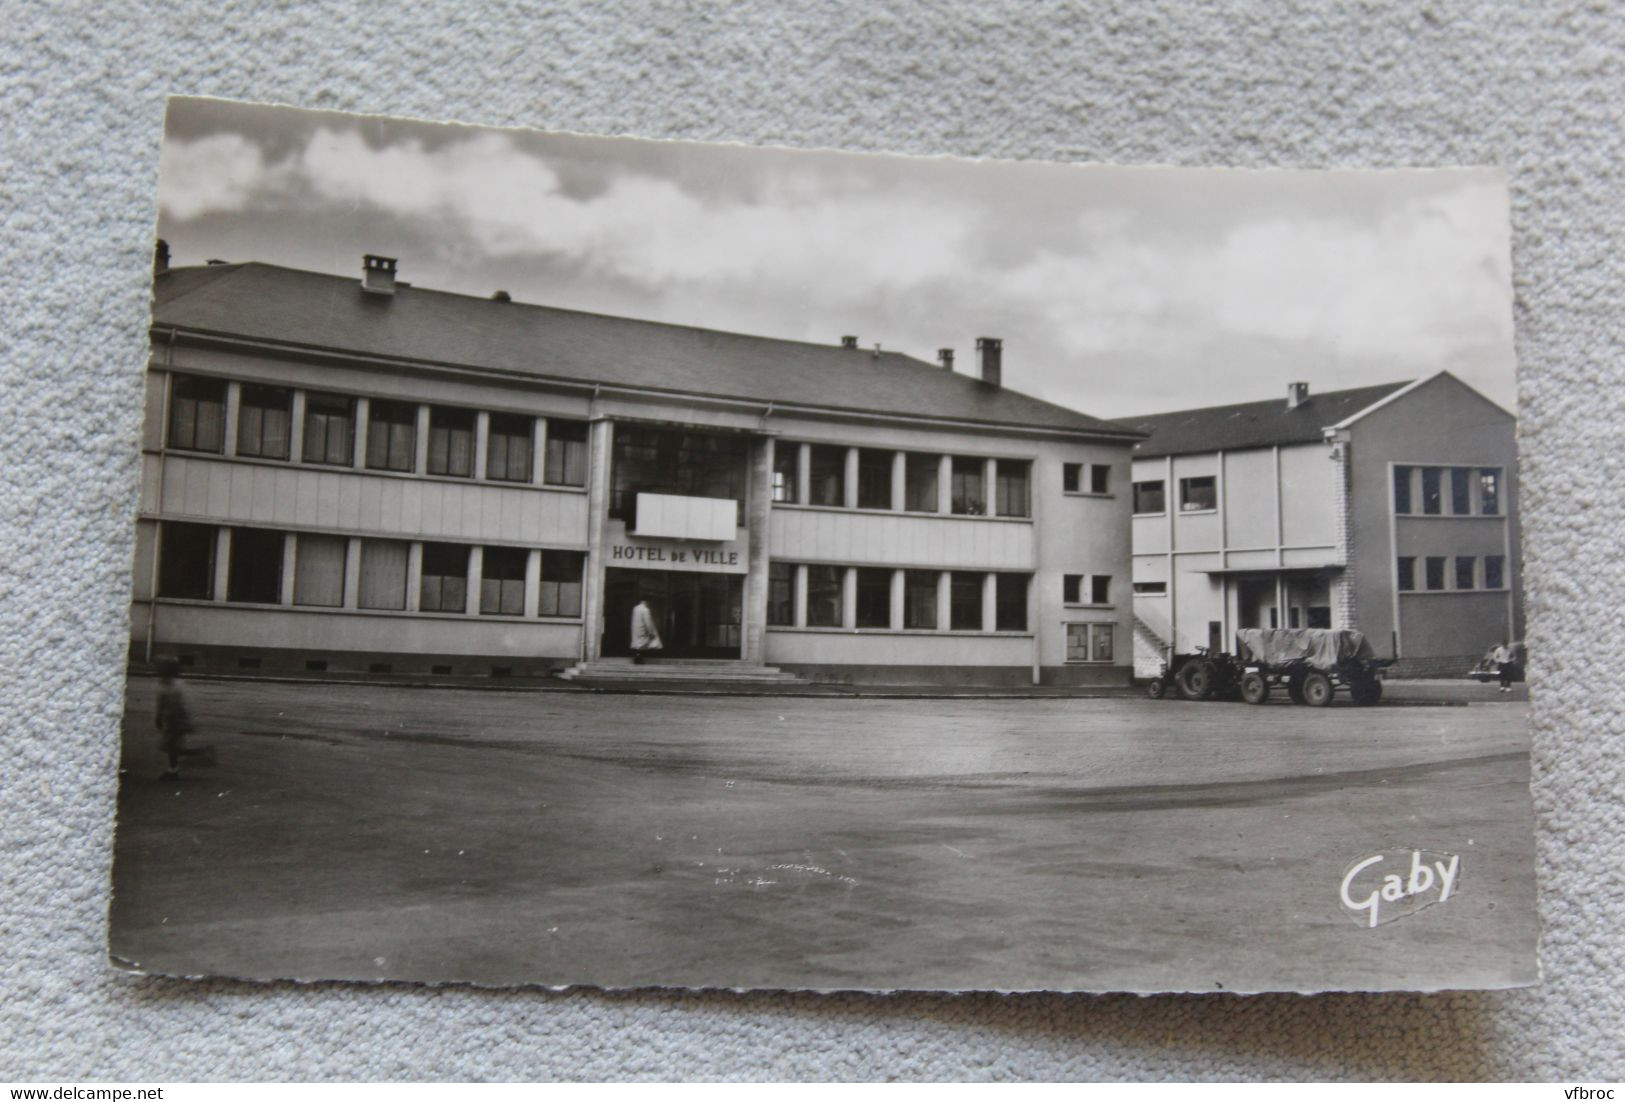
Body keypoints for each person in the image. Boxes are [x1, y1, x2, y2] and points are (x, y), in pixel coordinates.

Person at [154, 656, 214, 779]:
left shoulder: (171, 685)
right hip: (176, 720)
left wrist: (160, 717)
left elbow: (171, 703)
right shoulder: (173, 683)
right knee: (172, 747)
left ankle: (199, 756)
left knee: (168, 746)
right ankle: (174, 769)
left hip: (176, 720)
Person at [630, 599, 662, 664]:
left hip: (636, 630)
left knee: (638, 645)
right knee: (644, 644)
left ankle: (637, 657)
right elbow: (648, 622)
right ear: (646, 602)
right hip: (643, 630)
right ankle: (638, 658)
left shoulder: (635, 608)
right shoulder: (645, 610)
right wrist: (651, 632)